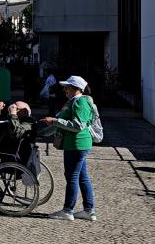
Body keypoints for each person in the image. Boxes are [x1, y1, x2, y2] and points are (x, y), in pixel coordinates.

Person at [43, 76, 97, 222]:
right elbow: (61, 124)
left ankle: (68, 210)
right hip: (77, 145)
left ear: (76, 89)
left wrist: (54, 120)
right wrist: (42, 132)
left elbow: (77, 126)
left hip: (76, 144)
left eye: (67, 87)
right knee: (82, 176)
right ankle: (89, 210)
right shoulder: (75, 101)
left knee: (72, 176)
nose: (64, 90)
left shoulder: (80, 102)